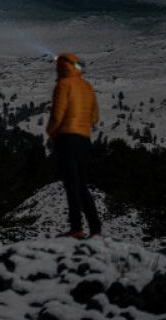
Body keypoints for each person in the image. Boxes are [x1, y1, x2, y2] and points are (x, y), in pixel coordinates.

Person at [46, 52, 102, 239]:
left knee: (71, 184)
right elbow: (94, 117)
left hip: (67, 139)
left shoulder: (63, 85)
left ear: (62, 67)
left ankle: (76, 228)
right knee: (82, 185)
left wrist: (51, 132)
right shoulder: (87, 86)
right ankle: (95, 229)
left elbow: (57, 115)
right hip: (84, 140)